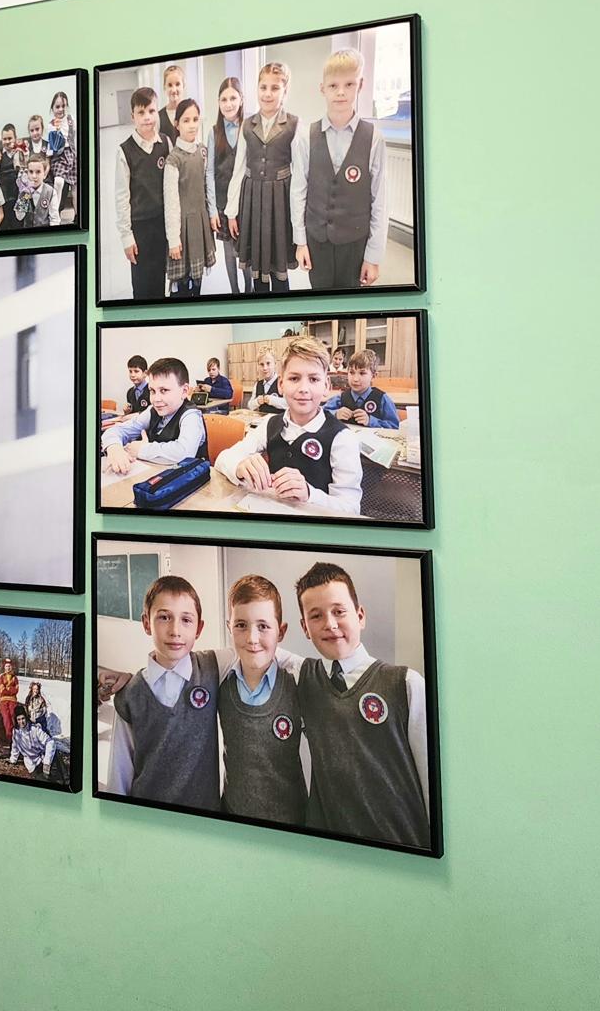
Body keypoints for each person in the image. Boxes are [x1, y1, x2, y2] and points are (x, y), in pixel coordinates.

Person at [292, 561, 430, 849]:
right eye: (316, 616)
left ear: (360, 615)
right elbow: (259, 649)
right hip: (329, 852)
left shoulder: (405, 683)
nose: (330, 624)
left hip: (401, 848)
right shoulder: (303, 678)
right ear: (304, 627)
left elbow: (433, 785)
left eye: (339, 611)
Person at [213, 336, 363, 515]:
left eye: (314, 379)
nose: (303, 388)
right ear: (281, 384)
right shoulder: (269, 424)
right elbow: (223, 459)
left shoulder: (342, 438)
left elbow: (351, 508)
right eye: (294, 378)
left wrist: (309, 494)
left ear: (326, 386)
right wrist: (239, 466)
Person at [108, 575, 219, 809]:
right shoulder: (130, 694)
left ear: (199, 628)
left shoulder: (213, 667)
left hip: (205, 819)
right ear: (146, 623)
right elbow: (119, 774)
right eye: (164, 617)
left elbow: (256, 651)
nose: (175, 630)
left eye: (186, 620)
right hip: (147, 818)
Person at [290, 48, 387, 291]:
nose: (341, 92)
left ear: (360, 85)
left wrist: (373, 256)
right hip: (317, 241)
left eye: (349, 84)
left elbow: (380, 201)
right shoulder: (306, 136)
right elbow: (298, 191)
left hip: (355, 243)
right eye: (333, 85)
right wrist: (300, 242)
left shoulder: (373, 138)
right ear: (322, 88)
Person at [219, 573, 308, 823]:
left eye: (263, 626)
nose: (252, 638)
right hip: (233, 818)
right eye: (241, 625)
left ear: (281, 631)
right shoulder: (220, 682)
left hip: (291, 822)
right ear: (229, 627)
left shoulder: (298, 684)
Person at [224, 62, 299, 294]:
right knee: (257, 264)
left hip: (280, 203)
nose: (267, 94)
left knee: (278, 268)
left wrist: (299, 221)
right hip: (253, 201)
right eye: (263, 87)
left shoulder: (294, 124)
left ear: (285, 91)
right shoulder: (247, 125)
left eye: (275, 88)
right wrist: (231, 212)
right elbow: (239, 169)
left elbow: (300, 176)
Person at [112, 87, 170, 300]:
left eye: (152, 111)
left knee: (161, 278)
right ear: (132, 116)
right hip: (140, 228)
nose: (147, 117)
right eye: (141, 112)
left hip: (162, 224)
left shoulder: (165, 143)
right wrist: (126, 237)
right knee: (142, 283)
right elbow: (122, 197)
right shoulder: (124, 151)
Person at [100, 356, 205, 473]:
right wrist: (114, 448)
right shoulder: (152, 410)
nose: (156, 399)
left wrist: (142, 450)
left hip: (189, 478)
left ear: (184, 391)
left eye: (164, 390)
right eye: (152, 391)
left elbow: (184, 452)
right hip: (156, 472)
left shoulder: (191, 415)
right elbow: (116, 430)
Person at [162, 97, 216, 297]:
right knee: (182, 286)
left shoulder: (202, 151)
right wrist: (173, 239)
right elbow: (171, 203)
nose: (192, 125)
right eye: (186, 120)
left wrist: (212, 215)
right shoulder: (173, 160)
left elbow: (207, 185)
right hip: (182, 228)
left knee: (197, 281)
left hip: (199, 225)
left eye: (195, 119)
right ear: (177, 124)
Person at [208, 76, 245, 294]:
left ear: (241, 100)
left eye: (233, 98)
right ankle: (235, 292)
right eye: (224, 99)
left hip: (244, 202)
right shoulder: (214, 132)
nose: (228, 104)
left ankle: (249, 290)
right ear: (218, 102)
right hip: (222, 203)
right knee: (229, 253)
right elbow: (209, 172)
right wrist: (212, 209)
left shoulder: (248, 127)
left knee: (246, 251)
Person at [44, 90, 77, 223]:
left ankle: (77, 215)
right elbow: (51, 145)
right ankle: (54, 213)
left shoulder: (71, 120)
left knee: (75, 187)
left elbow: (76, 137)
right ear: (52, 108)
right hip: (59, 155)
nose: (61, 109)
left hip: (72, 154)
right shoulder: (51, 125)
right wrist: (48, 159)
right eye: (57, 106)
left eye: (63, 106)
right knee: (58, 181)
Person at [10, 151, 59, 229]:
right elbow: (19, 217)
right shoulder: (24, 191)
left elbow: (54, 219)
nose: (34, 176)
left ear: (45, 174)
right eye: (31, 172)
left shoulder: (51, 192)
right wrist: (24, 197)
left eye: (38, 172)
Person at [0, 656, 21, 750]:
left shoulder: (15, 678)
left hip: (13, 700)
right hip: (4, 700)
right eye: (6, 666)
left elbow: (16, 690)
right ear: (4, 667)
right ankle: (9, 738)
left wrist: (8, 689)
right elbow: (2, 690)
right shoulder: (1, 677)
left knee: (13, 716)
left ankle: (15, 738)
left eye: (9, 666)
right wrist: (9, 689)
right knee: (6, 719)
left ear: (11, 667)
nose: (8, 668)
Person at [248, 350, 285, 414]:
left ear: (275, 364)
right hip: (262, 419)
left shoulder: (282, 382)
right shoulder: (257, 384)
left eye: (268, 363)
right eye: (261, 364)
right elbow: (250, 406)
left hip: (279, 419)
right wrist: (257, 402)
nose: (265, 368)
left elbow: (289, 405)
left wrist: (272, 400)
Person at [157, 63, 186, 143]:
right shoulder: (159, 117)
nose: (173, 90)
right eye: (170, 85)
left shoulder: (190, 112)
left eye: (177, 84)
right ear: (164, 87)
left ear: (183, 85)